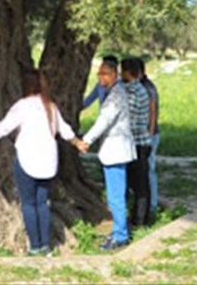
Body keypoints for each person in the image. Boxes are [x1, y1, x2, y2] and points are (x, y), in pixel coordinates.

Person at [0, 68, 86, 256]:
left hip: (28, 160)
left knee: (28, 203)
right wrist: (78, 144)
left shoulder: (22, 106)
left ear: (25, 85)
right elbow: (65, 130)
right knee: (42, 203)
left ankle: (35, 246)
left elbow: (4, 127)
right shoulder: (50, 106)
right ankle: (46, 246)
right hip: (49, 162)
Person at [77, 59, 135, 251]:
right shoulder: (113, 92)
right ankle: (119, 231)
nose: (101, 77)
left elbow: (104, 121)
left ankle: (120, 236)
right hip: (114, 151)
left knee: (115, 197)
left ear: (114, 75)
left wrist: (86, 141)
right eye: (99, 74)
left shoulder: (116, 96)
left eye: (105, 74)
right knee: (115, 195)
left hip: (116, 152)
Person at [121, 56, 153, 228]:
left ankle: (141, 220)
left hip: (137, 143)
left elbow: (130, 121)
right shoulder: (138, 89)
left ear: (127, 72)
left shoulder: (134, 91)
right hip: (139, 142)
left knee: (139, 184)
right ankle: (140, 216)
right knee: (139, 183)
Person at [139, 57, 160, 216]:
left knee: (149, 169)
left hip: (148, 134)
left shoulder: (148, 88)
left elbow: (152, 112)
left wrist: (150, 133)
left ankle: (152, 205)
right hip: (143, 134)